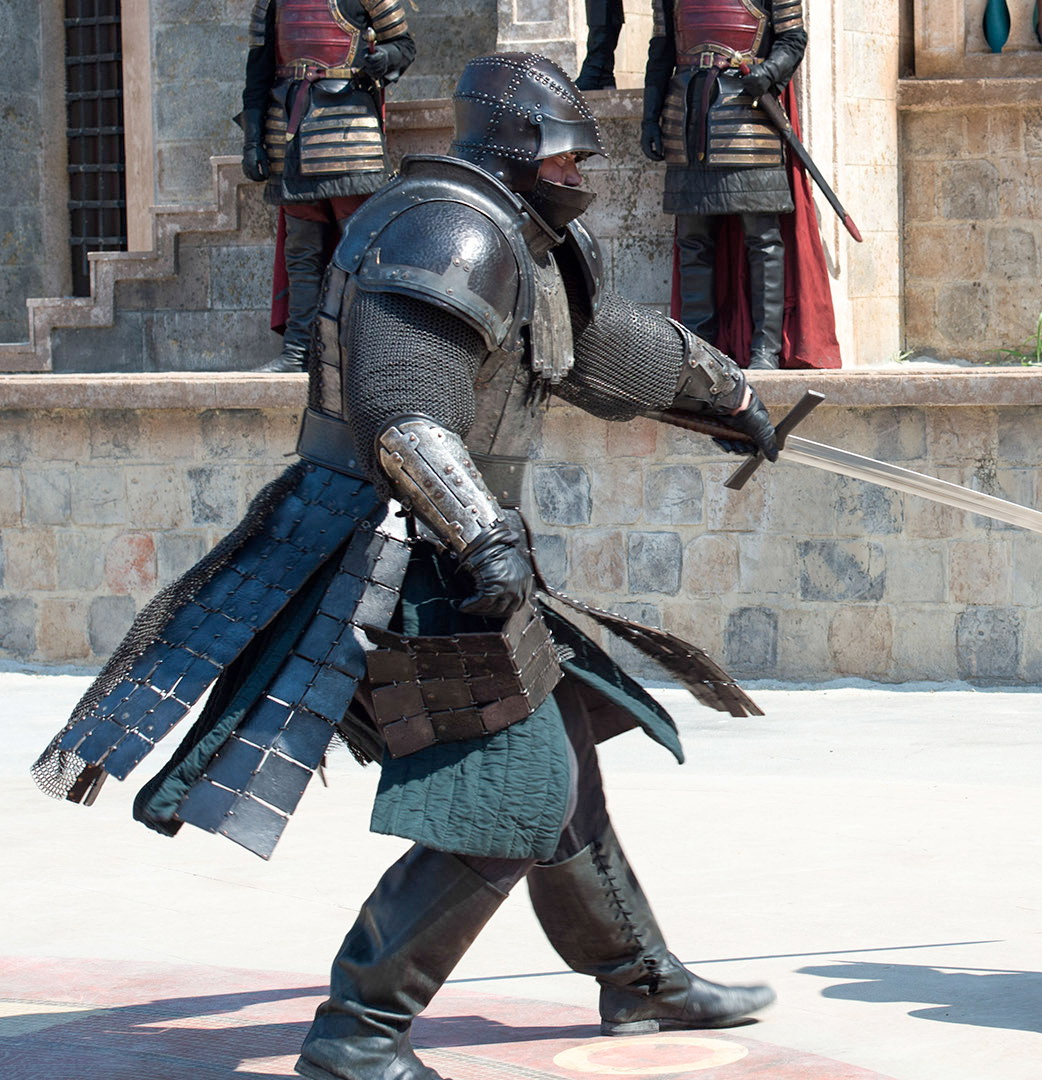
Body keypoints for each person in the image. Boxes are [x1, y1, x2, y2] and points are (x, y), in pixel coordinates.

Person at [37, 54, 784, 1080]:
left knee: (560, 759)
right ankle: (359, 1034)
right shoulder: (447, 231)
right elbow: (404, 416)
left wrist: (726, 396)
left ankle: (639, 979)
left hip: (454, 548)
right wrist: (482, 536)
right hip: (395, 551)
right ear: (516, 149)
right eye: (566, 157)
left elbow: (595, 344)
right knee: (514, 792)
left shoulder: (516, 234)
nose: (580, 175)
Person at [641, 0, 838, 370]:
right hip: (686, 115)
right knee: (693, 241)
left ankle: (765, 351)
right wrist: (650, 118)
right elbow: (662, 49)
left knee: (763, 240)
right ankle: (699, 352)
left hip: (748, 118)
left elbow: (792, 38)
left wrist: (769, 72)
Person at [239, 0, 415, 373]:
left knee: (359, 251)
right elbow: (258, 72)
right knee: (302, 252)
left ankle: (363, 351)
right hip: (288, 134)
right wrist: (252, 140)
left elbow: (404, 45)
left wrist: (384, 58)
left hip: (349, 132)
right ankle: (298, 351)